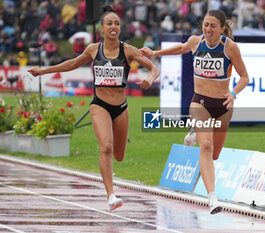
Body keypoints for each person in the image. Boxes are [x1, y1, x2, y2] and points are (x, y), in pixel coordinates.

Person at [28, 6, 160, 211]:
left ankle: (112, 184)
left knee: (119, 155)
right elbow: (72, 63)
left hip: (121, 107)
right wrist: (44, 71)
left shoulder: (128, 50)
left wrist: (150, 79)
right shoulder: (93, 49)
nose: (114, 26)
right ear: (102, 28)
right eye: (109, 23)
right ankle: (111, 195)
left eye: (117, 23)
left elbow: (154, 68)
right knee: (105, 147)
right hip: (99, 104)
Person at [141, 9, 249, 214]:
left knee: (215, 154)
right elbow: (181, 48)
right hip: (199, 103)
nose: (208, 29)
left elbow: (245, 77)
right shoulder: (195, 42)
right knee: (206, 147)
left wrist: (233, 93)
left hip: (223, 107)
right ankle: (212, 198)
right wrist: (155, 53)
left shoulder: (230, 47)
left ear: (222, 29)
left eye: (213, 26)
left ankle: (193, 132)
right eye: (205, 25)